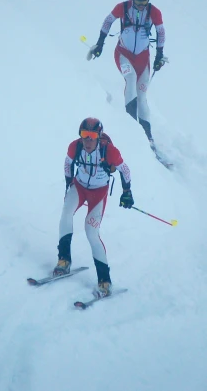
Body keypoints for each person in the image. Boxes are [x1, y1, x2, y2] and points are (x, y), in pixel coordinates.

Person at [53, 117, 134, 297]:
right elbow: (67, 163)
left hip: (98, 192)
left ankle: (104, 280)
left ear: (98, 136)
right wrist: (69, 184)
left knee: (91, 231)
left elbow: (125, 170)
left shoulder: (109, 151)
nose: (88, 140)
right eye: (84, 135)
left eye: (92, 135)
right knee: (66, 215)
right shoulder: (75, 147)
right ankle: (63, 260)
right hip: (79, 187)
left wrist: (127, 192)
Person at [88, 0, 167, 151]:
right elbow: (108, 21)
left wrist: (159, 55)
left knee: (142, 95)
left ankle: (148, 137)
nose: (141, 5)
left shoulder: (154, 12)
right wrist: (100, 43)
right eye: (138, 2)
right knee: (130, 78)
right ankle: (131, 129)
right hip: (123, 54)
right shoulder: (122, 7)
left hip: (143, 59)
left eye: (145, 2)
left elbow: (161, 32)